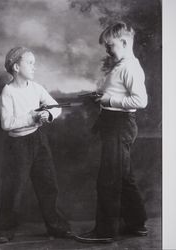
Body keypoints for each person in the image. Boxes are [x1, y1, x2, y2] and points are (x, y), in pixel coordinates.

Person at [76, 22, 148, 243]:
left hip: (120, 125)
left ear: (124, 42)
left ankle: (105, 232)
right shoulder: (121, 65)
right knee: (123, 177)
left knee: (109, 179)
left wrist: (107, 99)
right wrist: (101, 94)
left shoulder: (130, 67)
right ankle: (137, 224)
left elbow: (140, 101)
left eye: (110, 46)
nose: (107, 50)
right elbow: (115, 92)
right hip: (113, 124)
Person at [0, 47, 71, 243]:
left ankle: (56, 226)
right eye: (30, 63)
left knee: (48, 185)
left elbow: (56, 107)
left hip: (38, 141)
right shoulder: (7, 92)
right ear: (16, 67)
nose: (34, 67)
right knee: (14, 188)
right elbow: (6, 124)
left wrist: (48, 114)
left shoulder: (36, 87)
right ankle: (3, 230)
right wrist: (33, 117)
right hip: (17, 146)